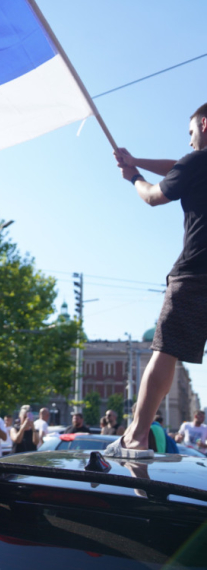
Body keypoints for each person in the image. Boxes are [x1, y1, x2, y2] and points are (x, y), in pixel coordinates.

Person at [107, 103, 207, 458]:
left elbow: (154, 196)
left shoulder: (199, 161)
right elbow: (182, 166)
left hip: (198, 272)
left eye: (191, 132)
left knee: (165, 352)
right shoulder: (195, 163)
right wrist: (137, 161)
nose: (191, 141)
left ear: (204, 124)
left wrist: (133, 177)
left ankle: (135, 438)